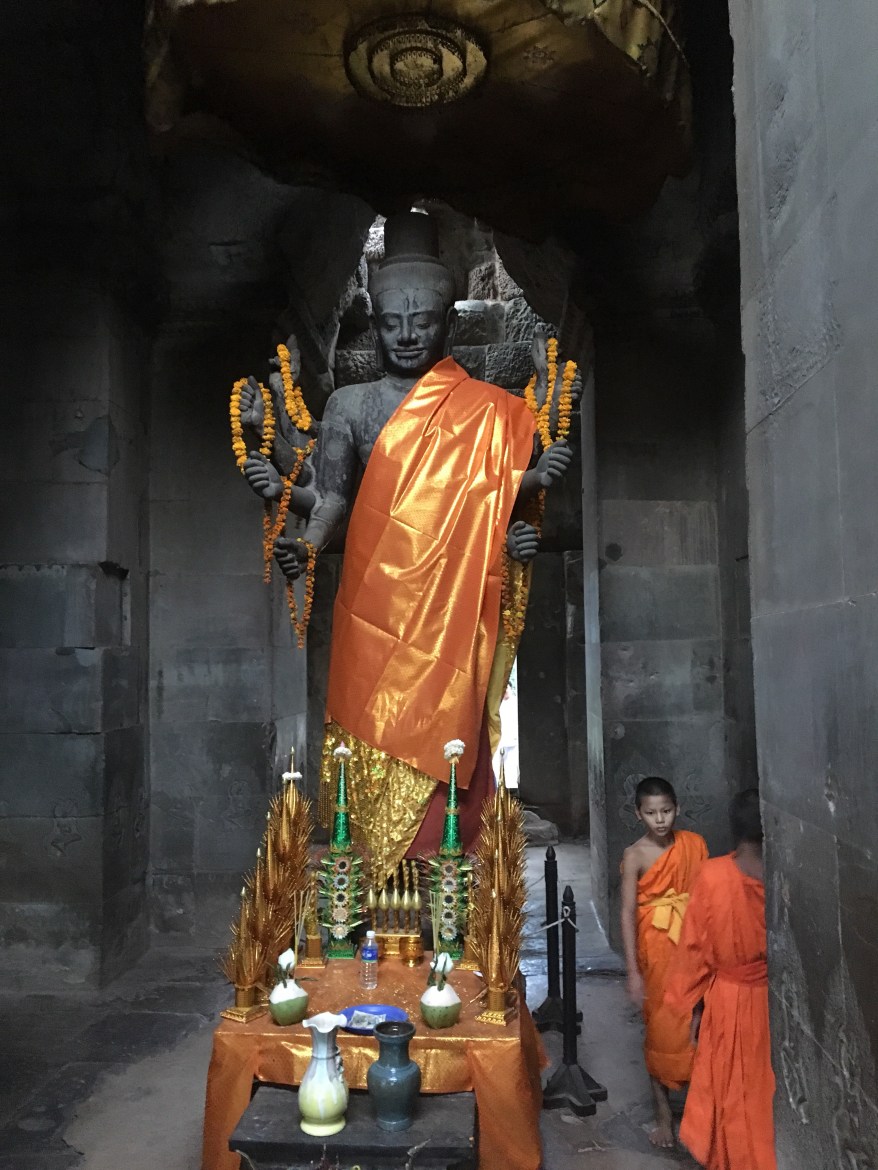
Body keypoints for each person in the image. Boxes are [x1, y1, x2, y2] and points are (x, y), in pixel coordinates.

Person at [239, 212, 577, 884]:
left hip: (449, 595)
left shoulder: (482, 407)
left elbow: (477, 492)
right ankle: (374, 864)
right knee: (370, 721)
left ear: (446, 323)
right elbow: (334, 498)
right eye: (392, 322)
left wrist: (530, 478)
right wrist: (305, 546)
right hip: (376, 595)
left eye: (420, 323)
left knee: (447, 718)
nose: (404, 336)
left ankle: (441, 858)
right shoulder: (351, 405)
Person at [664, 788, 777, 1170]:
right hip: (777, 1002)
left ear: (733, 829)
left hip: (728, 1000)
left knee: (733, 1093)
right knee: (768, 1092)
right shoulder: (789, 877)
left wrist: (691, 1008)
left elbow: (694, 952)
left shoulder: (712, 876)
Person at [621, 776, 708, 1148]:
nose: (661, 820)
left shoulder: (694, 845)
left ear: (678, 808)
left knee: (699, 1027)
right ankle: (663, 1116)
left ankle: (701, 1114)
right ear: (639, 814)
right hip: (656, 953)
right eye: (652, 813)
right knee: (660, 1031)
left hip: (693, 945)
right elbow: (626, 913)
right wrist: (632, 971)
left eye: (667, 811)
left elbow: (708, 897)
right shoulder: (634, 855)